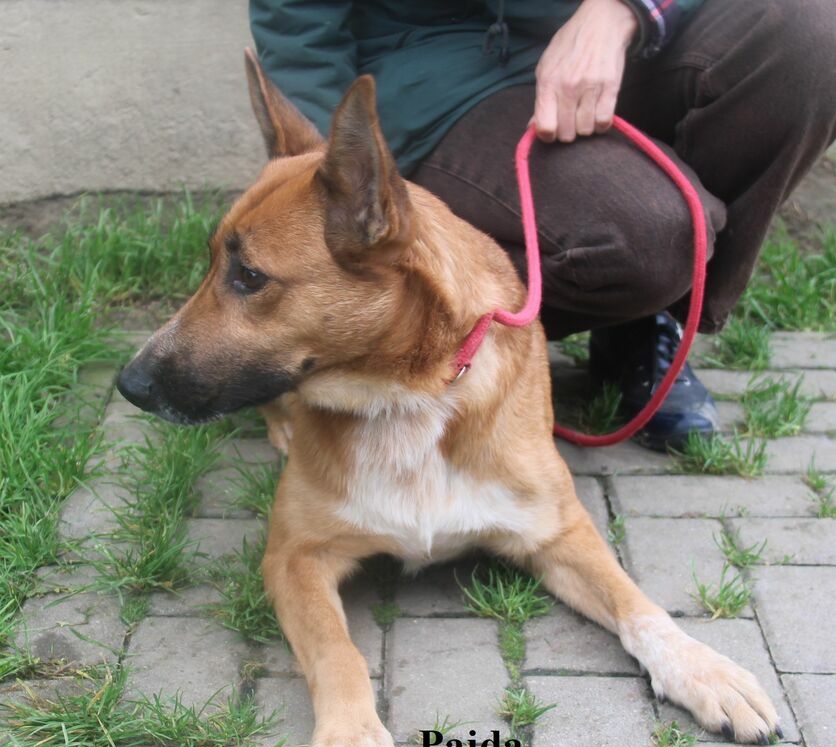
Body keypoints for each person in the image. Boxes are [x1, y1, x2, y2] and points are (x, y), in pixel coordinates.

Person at [249, 0, 836, 451]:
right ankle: (413, 343)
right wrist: (340, 181)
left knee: (813, 36)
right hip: (434, 71)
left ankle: (643, 325)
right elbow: (298, 21)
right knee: (657, 238)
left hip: (622, 39)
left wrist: (620, 11)